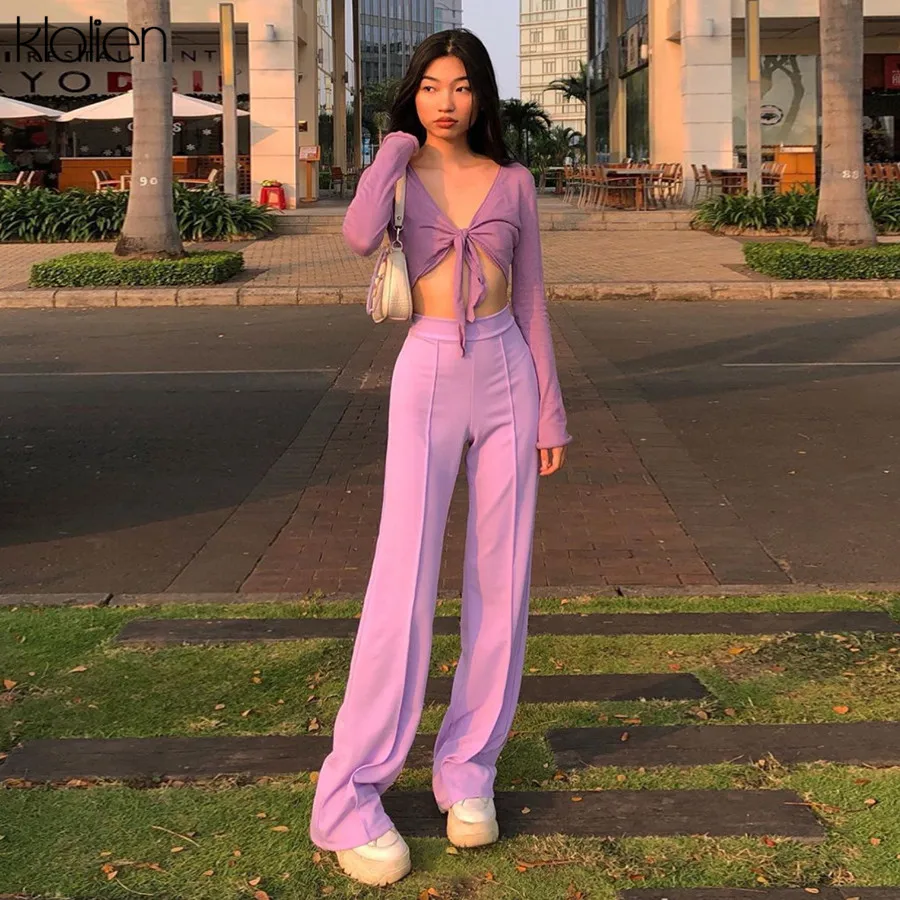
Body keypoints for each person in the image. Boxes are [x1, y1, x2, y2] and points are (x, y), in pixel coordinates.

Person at [309, 28, 572, 887]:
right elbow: (357, 236)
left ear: (481, 95)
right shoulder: (399, 171)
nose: (445, 101)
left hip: (506, 370)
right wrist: (390, 151)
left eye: (460, 87)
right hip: (425, 369)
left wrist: (549, 411)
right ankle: (349, 795)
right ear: (413, 94)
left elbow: (532, 299)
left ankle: (469, 770)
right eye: (430, 86)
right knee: (404, 578)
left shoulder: (514, 181)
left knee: (503, 578)